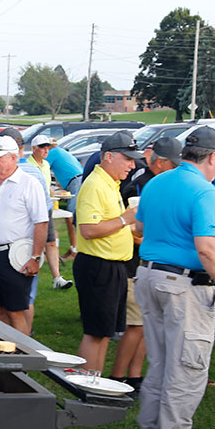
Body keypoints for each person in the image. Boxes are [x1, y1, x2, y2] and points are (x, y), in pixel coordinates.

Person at [135, 126, 215, 429]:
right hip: (184, 284)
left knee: (160, 360)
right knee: (187, 364)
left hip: (150, 275)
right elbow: (208, 249)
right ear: (213, 157)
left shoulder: (158, 181)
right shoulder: (203, 191)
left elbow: (140, 226)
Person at [109, 137, 182, 390]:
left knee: (146, 327)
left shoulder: (166, 185)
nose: (178, 169)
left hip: (152, 263)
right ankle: (118, 377)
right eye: (174, 164)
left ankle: (135, 376)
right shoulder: (141, 186)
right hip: (136, 265)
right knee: (136, 326)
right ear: (160, 162)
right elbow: (129, 228)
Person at [73, 131, 143, 374]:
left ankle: (94, 383)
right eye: (128, 159)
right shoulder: (96, 184)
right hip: (98, 266)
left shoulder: (111, 183)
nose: (132, 166)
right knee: (95, 333)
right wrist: (125, 220)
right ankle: (86, 387)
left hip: (111, 266)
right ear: (109, 157)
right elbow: (89, 229)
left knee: (104, 333)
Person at [0, 135, 49, 335]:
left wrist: (35, 257)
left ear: (14, 158)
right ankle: (0, 355)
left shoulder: (29, 183)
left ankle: (23, 359)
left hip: (14, 254)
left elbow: (41, 223)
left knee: (16, 310)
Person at [28, 133, 72, 290]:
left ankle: (57, 278)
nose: (46, 150)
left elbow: (46, 188)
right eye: (42, 147)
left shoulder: (46, 165)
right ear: (34, 149)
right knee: (32, 245)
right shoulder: (28, 165)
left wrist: (55, 194)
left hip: (46, 208)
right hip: (32, 210)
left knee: (51, 242)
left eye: (48, 147)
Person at [45, 138, 83, 259]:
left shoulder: (53, 153)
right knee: (71, 216)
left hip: (76, 182)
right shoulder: (61, 152)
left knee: (70, 216)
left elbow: (42, 167)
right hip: (77, 180)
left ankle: (74, 250)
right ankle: (73, 248)